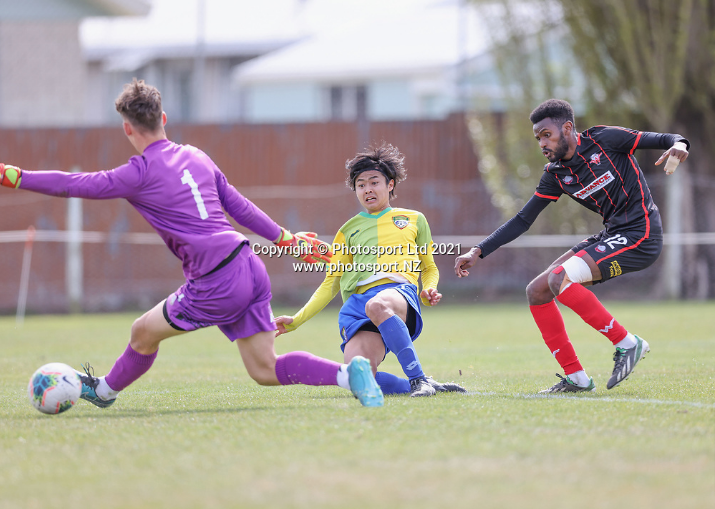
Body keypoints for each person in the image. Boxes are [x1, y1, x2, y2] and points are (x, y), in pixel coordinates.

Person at [0, 78, 384, 408]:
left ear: (127, 129)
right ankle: (351, 375)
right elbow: (239, 206)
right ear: (163, 119)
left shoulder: (137, 171)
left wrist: (15, 177)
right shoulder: (197, 156)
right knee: (264, 369)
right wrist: (286, 239)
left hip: (215, 280)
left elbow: (73, 184)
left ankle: (102, 391)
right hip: (249, 265)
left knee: (142, 332)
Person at [454, 99, 689, 393]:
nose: (542, 142)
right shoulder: (555, 174)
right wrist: (479, 250)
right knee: (537, 291)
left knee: (557, 277)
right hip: (613, 234)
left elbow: (664, 139)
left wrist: (680, 144)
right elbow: (523, 219)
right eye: (538, 137)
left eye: (546, 134)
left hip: (642, 234)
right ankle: (576, 378)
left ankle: (628, 343)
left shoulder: (605, 139)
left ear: (567, 128)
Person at [274, 143, 465, 397]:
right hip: (357, 304)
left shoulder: (414, 219)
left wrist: (429, 289)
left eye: (374, 182)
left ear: (391, 184)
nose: (367, 189)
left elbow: (429, 267)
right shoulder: (348, 230)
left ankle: (419, 380)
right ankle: (424, 384)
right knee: (358, 378)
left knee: (377, 306)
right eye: (360, 185)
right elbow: (331, 282)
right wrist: (296, 320)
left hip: (398, 293)